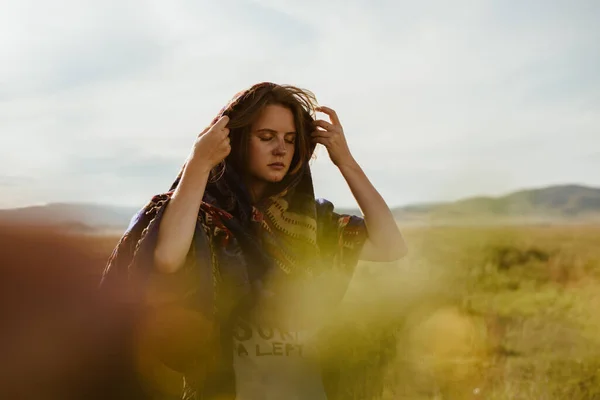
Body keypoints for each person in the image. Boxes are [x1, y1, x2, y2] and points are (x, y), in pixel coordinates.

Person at [100, 82, 407, 399]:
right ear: (237, 141)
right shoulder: (200, 215)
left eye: (290, 140)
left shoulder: (310, 223)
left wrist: (345, 161)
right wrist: (200, 162)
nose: (281, 149)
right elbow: (166, 258)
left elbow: (390, 245)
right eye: (266, 137)